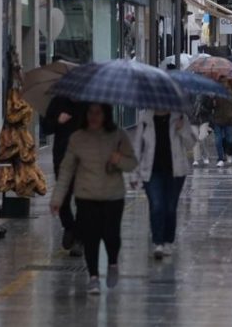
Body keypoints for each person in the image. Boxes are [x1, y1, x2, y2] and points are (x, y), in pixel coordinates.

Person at [50, 103, 138, 295]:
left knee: (111, 235)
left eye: (98, 112)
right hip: (86, 195)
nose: (94, 116)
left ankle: (113, 262)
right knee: (91, 237)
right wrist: (57, 198)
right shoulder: (77, 138)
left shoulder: (118, 136)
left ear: (106, 114)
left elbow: (132, 163)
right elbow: (66, 170)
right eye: (90, 112)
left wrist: (119, 160)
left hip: (113, 195)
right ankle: (93, 277)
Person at [133, 109, 195, 260]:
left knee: (170, 208)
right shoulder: (145, 118)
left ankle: (168, 241)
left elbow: (191, 144)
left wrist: (182, 129)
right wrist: (134, 173)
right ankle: (158, 242)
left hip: (175, 172)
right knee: (156, 205)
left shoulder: (180, 117)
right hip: (151, 171)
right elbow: (137, 147)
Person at [43, 95, 84, 255]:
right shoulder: (58, 101)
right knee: (63, 198)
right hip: (62, 157)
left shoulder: (90, 104)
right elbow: (46, 127)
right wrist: (58, 121)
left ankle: (79, 239)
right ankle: (69, 226)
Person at [211, 76, 232, 167]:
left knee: (230, 139)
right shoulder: (215, 94)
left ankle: (229, 154)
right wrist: (211, 101)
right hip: (217, 119)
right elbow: (209, 106)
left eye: (224, 82)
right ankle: (220, 158)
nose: (222, 84)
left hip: (229, 120)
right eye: (220, 82)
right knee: (218, 140)